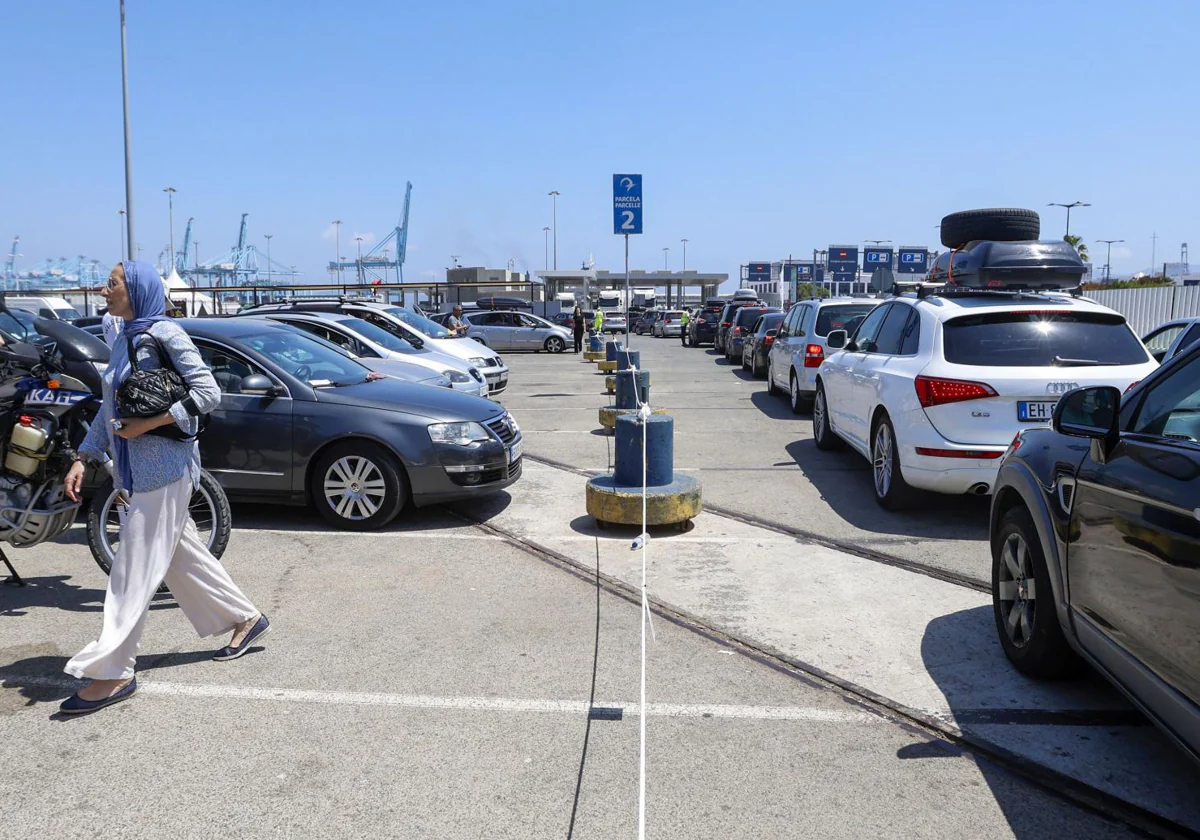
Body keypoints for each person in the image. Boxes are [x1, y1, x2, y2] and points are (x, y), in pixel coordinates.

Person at [58, 260, 268, 715]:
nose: (104, 289)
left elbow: (208, 393)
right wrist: (83, 455)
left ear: (135, 290)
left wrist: (149, 423)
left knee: (130, 572)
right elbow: (108, 409)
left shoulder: (165, 334)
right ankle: (244, 618)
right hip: (135, 472)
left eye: (112, 283)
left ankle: (114, 671)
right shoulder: (126, 337)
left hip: (165, 471)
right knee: (181, 556)